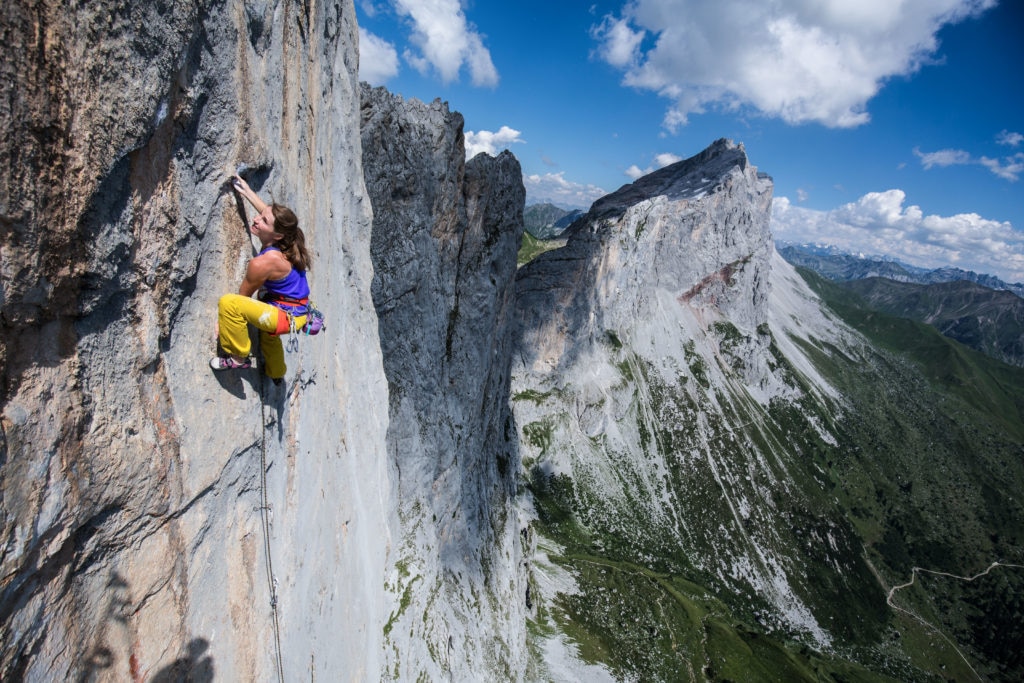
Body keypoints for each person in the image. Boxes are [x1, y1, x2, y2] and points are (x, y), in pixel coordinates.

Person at [211, 175, 312, 382]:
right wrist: (247, 191)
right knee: (269, 337)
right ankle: (277, 373)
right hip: (297, 310)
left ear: (277, 236)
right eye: (260, 216)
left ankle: (239, 358)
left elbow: (242, 298)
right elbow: (269, 214)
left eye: (263, 221)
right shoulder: (287, 237)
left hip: (286, 316)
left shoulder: (264, 263)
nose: (256, 219)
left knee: (229, 304)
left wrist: (225, 324)